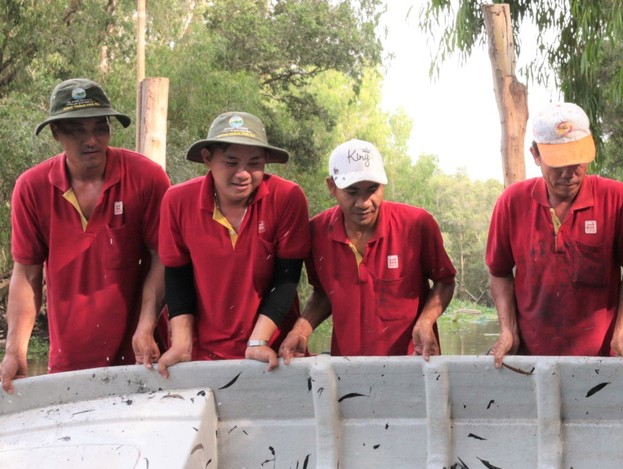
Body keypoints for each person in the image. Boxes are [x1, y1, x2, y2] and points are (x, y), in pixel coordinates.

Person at [2, 78, 170, 392]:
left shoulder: (147, 178)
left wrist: (146, 325)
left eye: (100, 127)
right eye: (77, 130)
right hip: (69, 358)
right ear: (56, 133)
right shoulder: (32, 188)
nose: (91, 140)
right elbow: (26, 273)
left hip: (143, 352)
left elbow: (164, 258)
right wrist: (15, 351)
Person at [486, 102, 623, 369]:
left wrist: (621, 334)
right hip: (529, 362)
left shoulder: (615, 198)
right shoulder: (512, 203)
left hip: (602, 362)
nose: (569, 174)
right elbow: (499, 271)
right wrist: (508, 330)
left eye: (577, 162)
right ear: (535, 155)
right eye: (558, 164)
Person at [157, 111, 311, 375]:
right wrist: (182, 344)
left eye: (254, 163)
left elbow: (287, 279)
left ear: (266, 161)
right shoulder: (177, 201)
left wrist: (258, 341)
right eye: (231, 162)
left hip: (273, 351)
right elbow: (177, 278)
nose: (243, 174)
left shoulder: (287, 197)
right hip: (204, 353)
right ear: (207, 158)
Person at [279, 139, 456, 361]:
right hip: (346, 369)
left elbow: (445, 281)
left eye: (373, 190)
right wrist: (301, 330)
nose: (364, 203)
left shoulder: (417, 224)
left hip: (412, 365)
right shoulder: (316, 232)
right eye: (352, 192)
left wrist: (426, 320)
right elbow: (324, 293)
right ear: (332, 186)